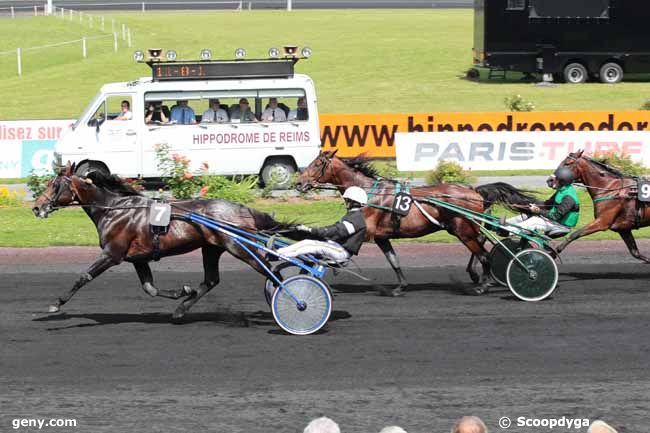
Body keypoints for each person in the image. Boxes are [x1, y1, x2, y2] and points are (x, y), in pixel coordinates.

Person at [276, 186, 368, 262]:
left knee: (310, 246)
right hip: (337, 247)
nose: (345, 203)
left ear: (354, 202)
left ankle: (280, 255)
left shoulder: (356, 219)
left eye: (347, 200)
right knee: (307, 242)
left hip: (341, 252)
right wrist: (312, 230)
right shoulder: (353, 215)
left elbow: (336, 231)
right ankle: (280, 252)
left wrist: (311, 230)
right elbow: (334, 228)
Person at [505, 166, 580, 237]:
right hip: (555, 221)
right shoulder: (562, 190)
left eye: (556, 179)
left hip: (561, 225)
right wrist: (528, 205)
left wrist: (538, 211)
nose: (553, 181)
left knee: (535, 221)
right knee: (527, 215)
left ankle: (508, 231)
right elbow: (547, 204)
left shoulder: (568, 198)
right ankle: (505, 223)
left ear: (561, 181)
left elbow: (555, 216)